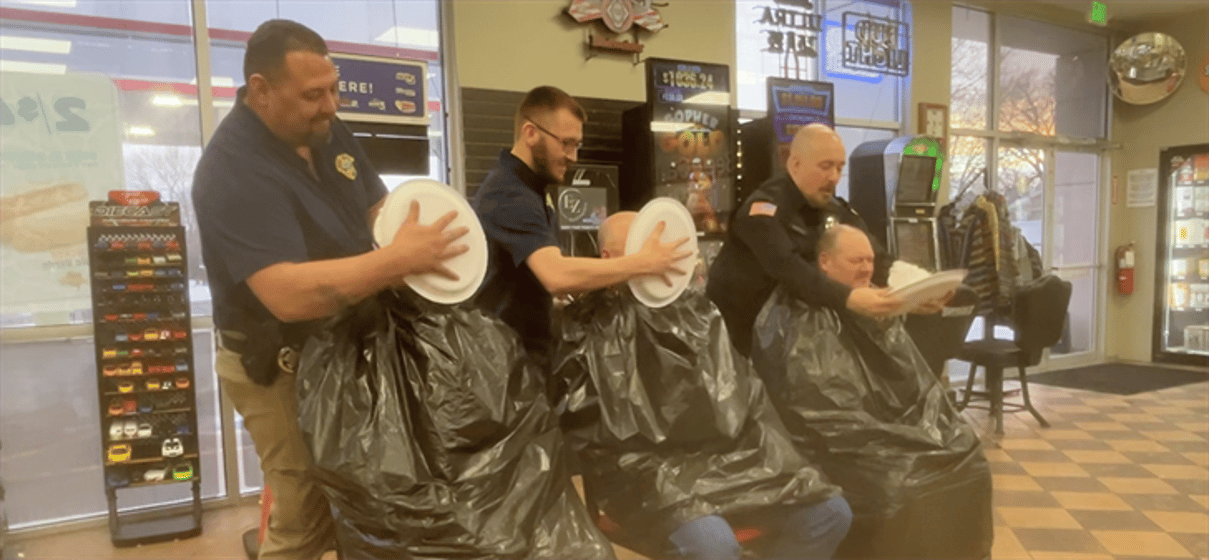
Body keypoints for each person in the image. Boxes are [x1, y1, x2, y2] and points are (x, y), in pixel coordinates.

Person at [192, 20, 466, 559]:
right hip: (276, 363)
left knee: (363, 494)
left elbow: (375, 208)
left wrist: (426, 234)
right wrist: (395, 261)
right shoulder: (231, 171)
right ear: (260, 90)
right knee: (306, 511)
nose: (331, 105)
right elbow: (287, 294)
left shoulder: (326, 131)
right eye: (313, 94)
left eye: (334, 87)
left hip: (342, 346)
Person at [554, 211, 853, 560]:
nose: (658, 255)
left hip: (729, 463)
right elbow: (596, 434)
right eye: (643, 248)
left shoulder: (696, 313)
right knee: (714, 546)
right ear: (608, 259)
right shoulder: (588, 328)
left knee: (831, 513)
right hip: (648, 475)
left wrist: (768, 454)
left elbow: (742, 398)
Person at [749, 224, 993, 560]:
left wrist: (926, 430)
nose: (867, 268)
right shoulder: (794, 319)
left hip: (887, 431)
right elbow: (824, 416)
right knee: (900, 486)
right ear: (824, 262)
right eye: (856, 261)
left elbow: (913, 386)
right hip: (842, 445)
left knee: (969, 456)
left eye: (869, 260)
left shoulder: (873, 309)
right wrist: (895, 438)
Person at [472, 85, 689, 377]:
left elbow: (534, 278)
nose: (574, 156)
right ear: (530, 133)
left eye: (577, 145)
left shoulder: (532, 190)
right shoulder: (511, 194)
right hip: (507, 370)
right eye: (566, 143)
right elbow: (556, 275)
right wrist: (642, 263)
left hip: (521, 358)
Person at [707, 123, 900, 357]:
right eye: (826, 166)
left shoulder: (834, 209)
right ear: (795, 164)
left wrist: (911, 286)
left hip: (800, 347)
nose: (835, 178)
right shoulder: (761, 212)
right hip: (742, 350)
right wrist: (849, 297)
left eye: (840, 168)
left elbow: (872, 255)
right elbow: (791, 269)